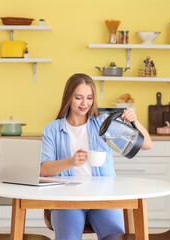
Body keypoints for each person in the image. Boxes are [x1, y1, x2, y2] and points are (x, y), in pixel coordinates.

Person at [40, 73, 152, 240]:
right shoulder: (53, 129)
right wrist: (71, 162)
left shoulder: (102, 123)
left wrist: (135, 122)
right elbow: (44, 170)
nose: (85, 103)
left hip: (103, 198)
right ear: (69, 98)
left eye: (89, 97)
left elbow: (147, 144)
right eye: (78, 97)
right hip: (67, 200)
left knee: (115, 238)